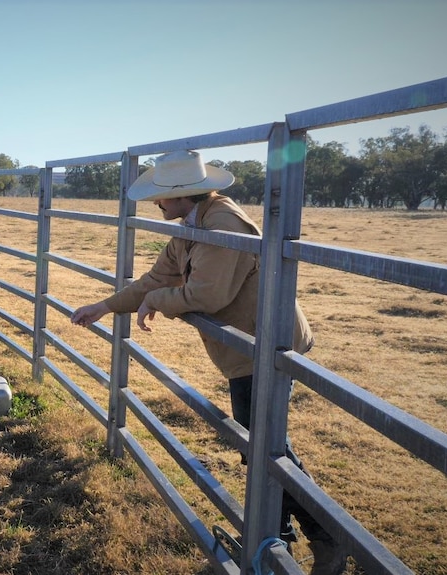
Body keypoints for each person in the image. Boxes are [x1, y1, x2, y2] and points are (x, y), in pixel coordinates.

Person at [70, 150, 347, 575]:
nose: (156, 204)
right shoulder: (191, 227)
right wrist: (106, 305)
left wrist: (156, 302)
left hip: (266, 346)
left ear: (184, 195)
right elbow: (156, 279)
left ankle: (326, 537)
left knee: (266, 449)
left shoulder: (223, 224)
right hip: (246, 348)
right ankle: (275, 542)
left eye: (161, 197)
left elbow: (206, 294)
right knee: (260, 447)